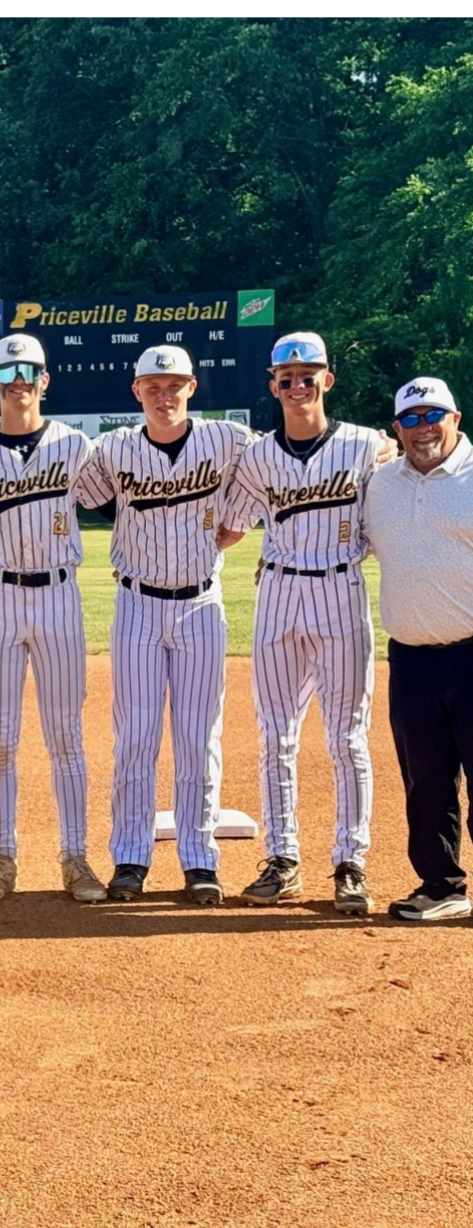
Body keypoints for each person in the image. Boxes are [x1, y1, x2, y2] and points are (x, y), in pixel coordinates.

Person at [74, 346, 250, 904]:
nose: (164, 395)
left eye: (174, 385)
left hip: (201, 605)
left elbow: (272, 470)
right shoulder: (115, 448)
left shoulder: (227, 440)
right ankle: (130, 856)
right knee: (136, 736)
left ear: (192, 387)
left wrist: (235, 525)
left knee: (198, 736)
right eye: (153, 386)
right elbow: (80, 490)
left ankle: (199, 859)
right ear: (137, 392)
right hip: (138, 605)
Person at [218, 332, 381, 915]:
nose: (298, 385)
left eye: (308, 376)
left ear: (326, 380)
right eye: (286, 378)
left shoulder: (366, 446)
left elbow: (391, 516)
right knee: (275, 735)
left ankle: (351, 862)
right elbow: (231, 526)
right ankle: (282, 858)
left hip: (340, 589)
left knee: (347, 737)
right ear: (274, 386)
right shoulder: (258, 456)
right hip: (280, 591)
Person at [0, 335, 106, 904]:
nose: (19, 380)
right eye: (8, 371)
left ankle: (76, 856)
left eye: (29, 370)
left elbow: (126, 499)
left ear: (45, 380)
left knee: (65, 734)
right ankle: (1, 856)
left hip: (60, 596)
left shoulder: (75, 447)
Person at [362, 376, 473, 922]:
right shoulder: (381, 483)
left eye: (433, 415)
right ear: (396, 428)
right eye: (410, 418)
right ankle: (441, 885)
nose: (422, 427)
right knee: (425, 782)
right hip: (410, 657)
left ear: (456, 419)